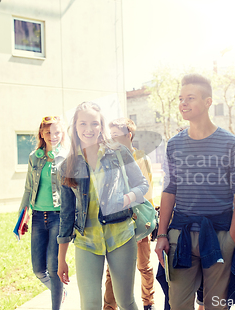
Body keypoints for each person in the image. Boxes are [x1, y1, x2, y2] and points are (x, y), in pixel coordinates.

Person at [154, 73, 235, 310]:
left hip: (218, 235)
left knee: (216, 305)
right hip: (181, 235)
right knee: (177, 305)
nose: (183, 103)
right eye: (181, 98)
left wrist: (232, 239)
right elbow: (169, 189)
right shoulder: (174, 144)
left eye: (190, 98)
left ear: (208, 102)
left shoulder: (230, 144)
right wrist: (162, 234)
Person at [56, 102, 149, 310]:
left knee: (125, 301)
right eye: (83, 124)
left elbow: (142, 184)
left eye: (94, 124)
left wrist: (125, 199)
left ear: (101, 126)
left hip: (121, 236)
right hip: (87, 242)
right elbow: (66, 214)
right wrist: (61, 258)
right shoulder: (67, 165)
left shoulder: (118, 153)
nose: (89, 129)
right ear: (75, 127)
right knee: (90, 305)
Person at [103, 117, 155, 310]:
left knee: (144, 265)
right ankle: (109, 306)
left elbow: (147, 192)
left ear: (129, 135)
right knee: (113, 270)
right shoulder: (110, 157)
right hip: (117, 221)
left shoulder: (141, 158)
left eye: (116, 136)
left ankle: (148, 302)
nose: (112, 139)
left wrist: (144, 224)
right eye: (111, 135)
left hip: (138, 218)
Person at [18, 115, 67, 310]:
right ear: (42, 133)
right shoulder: (34, 157)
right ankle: (59, 290)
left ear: (62, 133)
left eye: (56, 132)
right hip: (38, 217)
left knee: (54, 269)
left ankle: (56, 303)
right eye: (48, 132)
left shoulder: (67, 157)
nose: (53, 136)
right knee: (38, 270)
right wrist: (23, 215)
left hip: (57, 217)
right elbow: (28, 188)